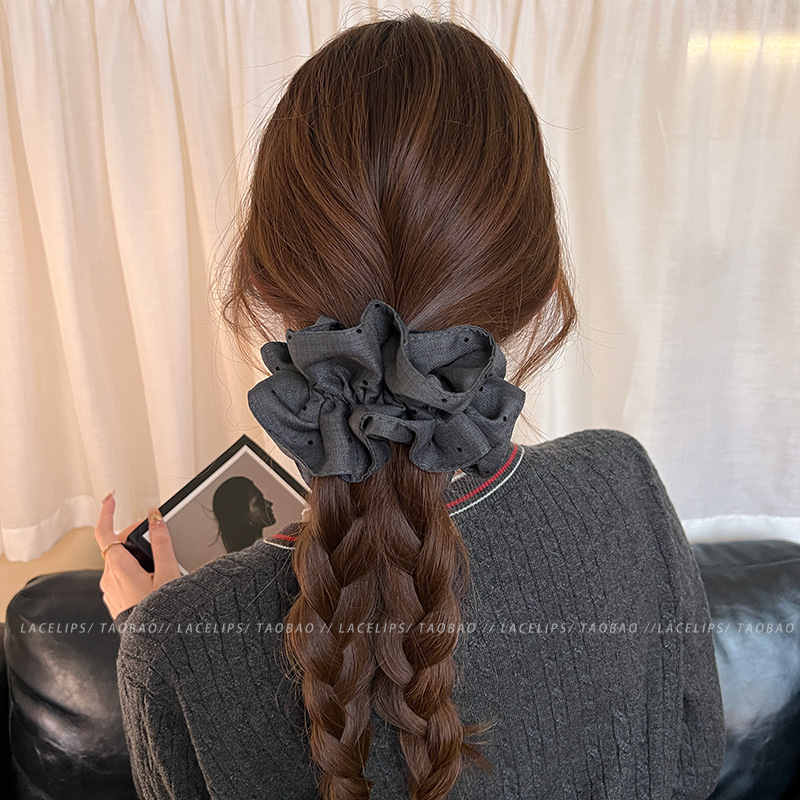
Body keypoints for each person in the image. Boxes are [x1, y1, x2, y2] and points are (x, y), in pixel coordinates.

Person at [94, 11, 726, 800]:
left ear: (259, 283)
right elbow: (692, 763)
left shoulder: (175, 646)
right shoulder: (623, 487)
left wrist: (160, 627)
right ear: (538, 287)